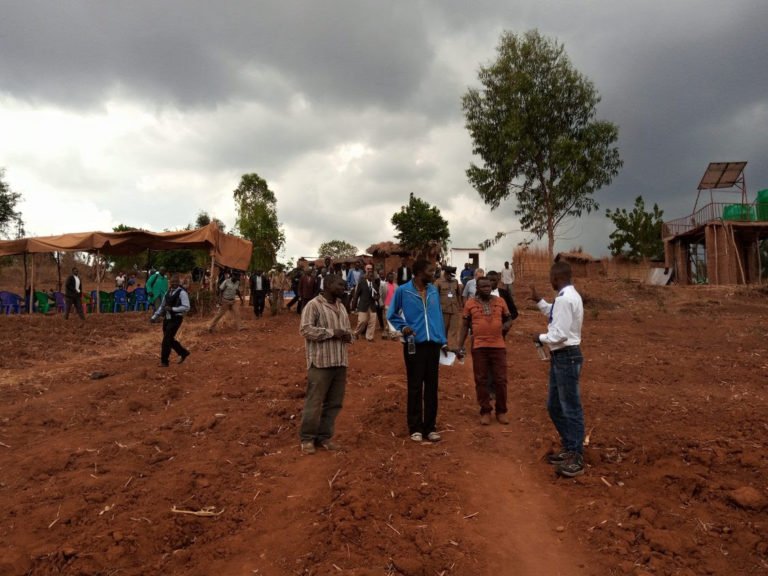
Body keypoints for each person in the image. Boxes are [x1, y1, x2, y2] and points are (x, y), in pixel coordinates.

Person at [530, 261, 586, 478]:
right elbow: (556, 315)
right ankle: (570, 447)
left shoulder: (565, 299)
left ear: (556, 277)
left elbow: (559, 334)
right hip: (563, 357)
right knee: (554, 406)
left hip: (566, 356)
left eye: (550, 278)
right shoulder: (569, 297)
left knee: (570, 407)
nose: (549, 281)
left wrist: (540, 337)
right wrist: (539, 301)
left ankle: (576, 455)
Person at [387, 259, 449, 443]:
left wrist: (443, 341)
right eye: (432, 271)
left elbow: (437, 315)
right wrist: (403, 327)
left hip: (433, 345)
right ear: (420, 272)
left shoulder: (433, 290)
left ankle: (430, 427)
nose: (435, 274)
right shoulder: (403, 290)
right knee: (415, 386)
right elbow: (392, 314)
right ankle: (415, 427)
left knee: (431, 387)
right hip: (414, 344)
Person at [298, 274, 352, 454]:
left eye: (344, 285)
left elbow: (347, 331)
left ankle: (324, 437)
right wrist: (331, 332)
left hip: (340, 361)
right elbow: (305, 330)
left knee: (334, 403)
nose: (343, 288)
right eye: (340, 285)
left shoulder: (342, 306)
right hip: (321, 362)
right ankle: (307, 438)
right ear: (328, 284)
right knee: (314, 402)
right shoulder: (313, 305)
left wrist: (348, 336)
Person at [457, 277, 515, 425]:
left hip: (498, 346)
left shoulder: (500, 301)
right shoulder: (470, 304)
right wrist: (460, 345)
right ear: (477, 287)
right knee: (481, 380)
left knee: (501, 380)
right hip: (479, 347)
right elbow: (464, 326)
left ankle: (501, 411)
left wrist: (507, 325)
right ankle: (485, 410)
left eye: (488, 286)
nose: (486, 289)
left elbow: (509, 318)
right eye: (483, 286)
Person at [150, 274, 191, 367]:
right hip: (167, 318)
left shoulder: (182, 293)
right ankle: (183, 352)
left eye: (176, 282)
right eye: (172, 282)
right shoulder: (168, 292)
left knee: (166, 340)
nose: (174, 284)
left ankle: (164, 361)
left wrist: (173, 309)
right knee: (168, 339)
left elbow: (186, 307)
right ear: (170, 283)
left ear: (179, 283)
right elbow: (162, 306)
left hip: (176, 318)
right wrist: (154, 316)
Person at [350, 264, 380, 342]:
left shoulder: (374, 284)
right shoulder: (361, 283)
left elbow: (378, 294)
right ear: (366, 276)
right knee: (362, 321)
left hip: (372, 306)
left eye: (372, 276)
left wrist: (377, 298)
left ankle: (369, 337)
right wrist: (354, 306)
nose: (371, 277)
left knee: (372, 322)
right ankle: (355, 333)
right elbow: (356, 295)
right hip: (363, 306)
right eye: (369, 275)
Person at [435, 266, 462, 349]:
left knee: (454, 329)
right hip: (443, 309)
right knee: (443, 329)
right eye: (451, 275)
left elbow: (458, 294)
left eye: (453, 275)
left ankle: (453, 347)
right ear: (446, 274)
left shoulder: (455, 281)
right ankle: (443, 345)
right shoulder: (438, 282)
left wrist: (459, 305)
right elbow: (435, 296)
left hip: (454, 309)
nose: (452, 277)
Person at [380, 271, 398, 340]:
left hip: (393, 305)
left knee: (390, 320)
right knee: (387, 320)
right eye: (389, 277)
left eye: (392, 277)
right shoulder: (383, 285)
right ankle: (391, 334)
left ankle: (388, 334)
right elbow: (380, 295)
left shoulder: (396, 286)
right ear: (387, 278)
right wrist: (381, 304)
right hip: (386, 305)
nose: (391, 278)